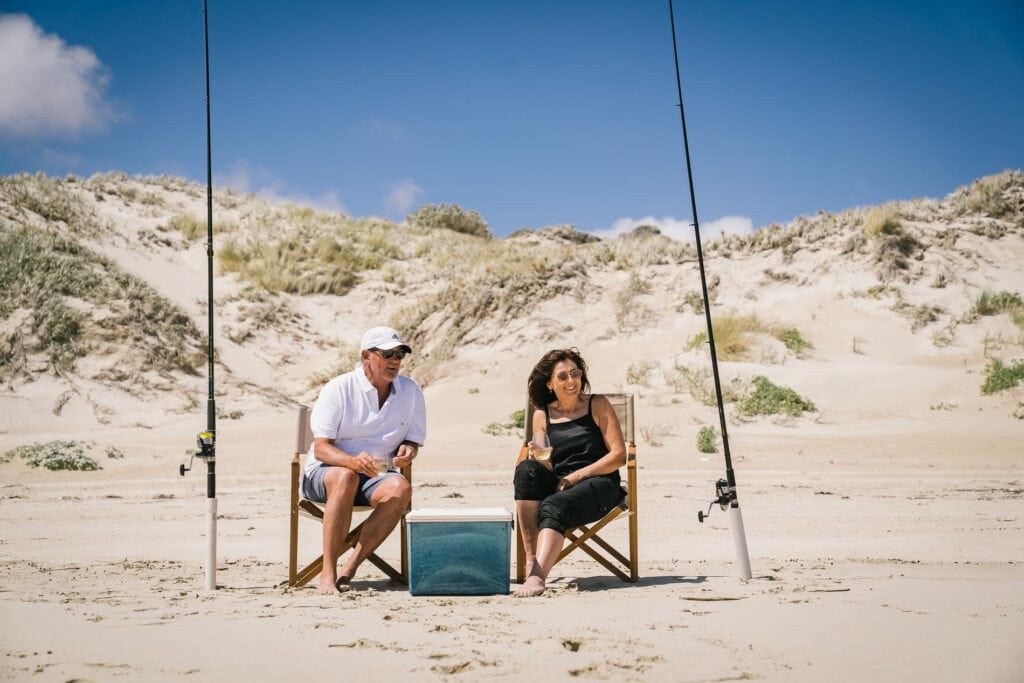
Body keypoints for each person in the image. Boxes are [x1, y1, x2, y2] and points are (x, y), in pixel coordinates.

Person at [302, 326, 426, 595]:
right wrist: (351, 462)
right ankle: (327, 571)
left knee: (400, 487)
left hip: (375, 476)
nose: (395, 360)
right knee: (345, 477)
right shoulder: (339, 388)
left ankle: (349, 568)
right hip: (325, 473)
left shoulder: (411, 391)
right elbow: (321, 449)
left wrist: (409, 449)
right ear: (366, 356)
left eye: (400, 354)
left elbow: (413, 440)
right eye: (388, 354)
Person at [513, 348, 626, 597]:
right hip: (560, 483)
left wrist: (576, 476)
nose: (571, 381)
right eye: (562, 376)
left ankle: (537, 577)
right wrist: (539, 457)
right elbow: (545, 465)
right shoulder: (542, 415)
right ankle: (531, 561)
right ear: (550, 384)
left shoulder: (598, 404)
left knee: (553, 506)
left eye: (575, 373)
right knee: (526, 470)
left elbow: (619, 455)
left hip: (600, 484)